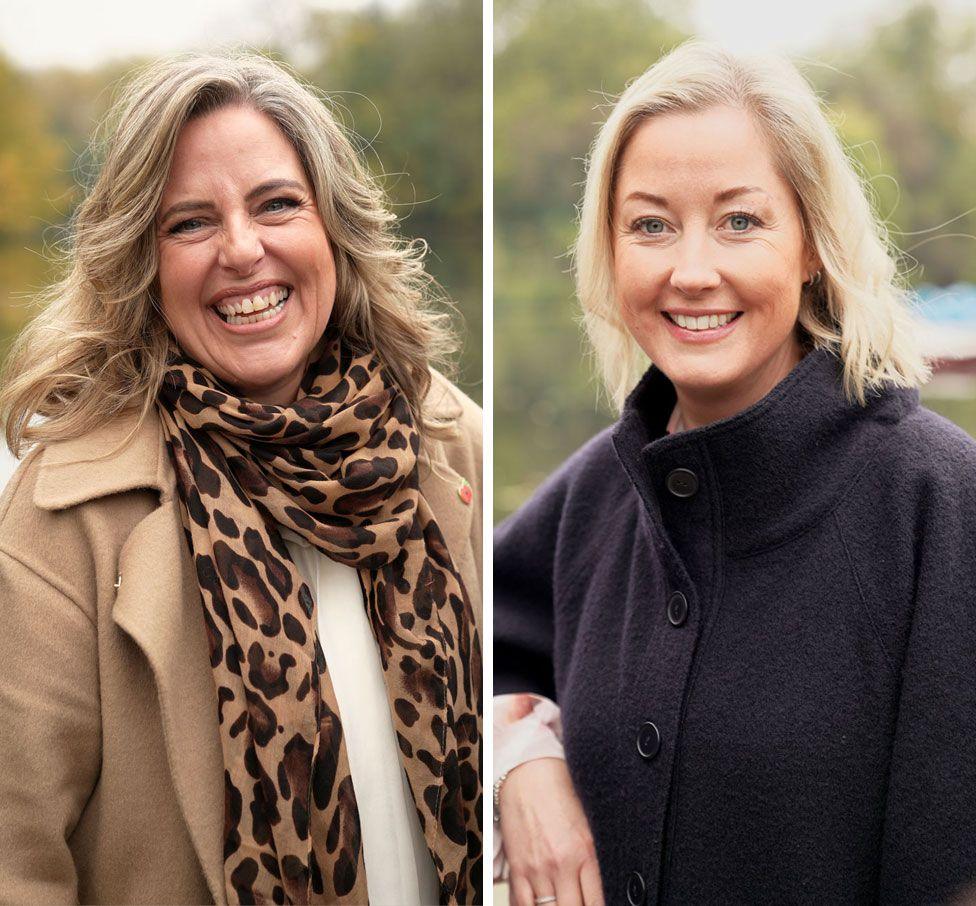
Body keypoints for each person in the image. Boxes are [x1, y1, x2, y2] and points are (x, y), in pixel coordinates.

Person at [493, 39, 976, 906]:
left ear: (811, 245)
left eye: (740, 220)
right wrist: (522, 760)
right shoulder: (592, 496)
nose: (691, 270)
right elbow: (453, 643)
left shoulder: (942, 504)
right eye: (650, 224)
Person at [0, 52, 482, 905]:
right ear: (139, 264)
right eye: (189, 223)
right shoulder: (63, 518)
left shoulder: (451, 442)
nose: (243, 249)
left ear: (334, 226)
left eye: (277, 204)